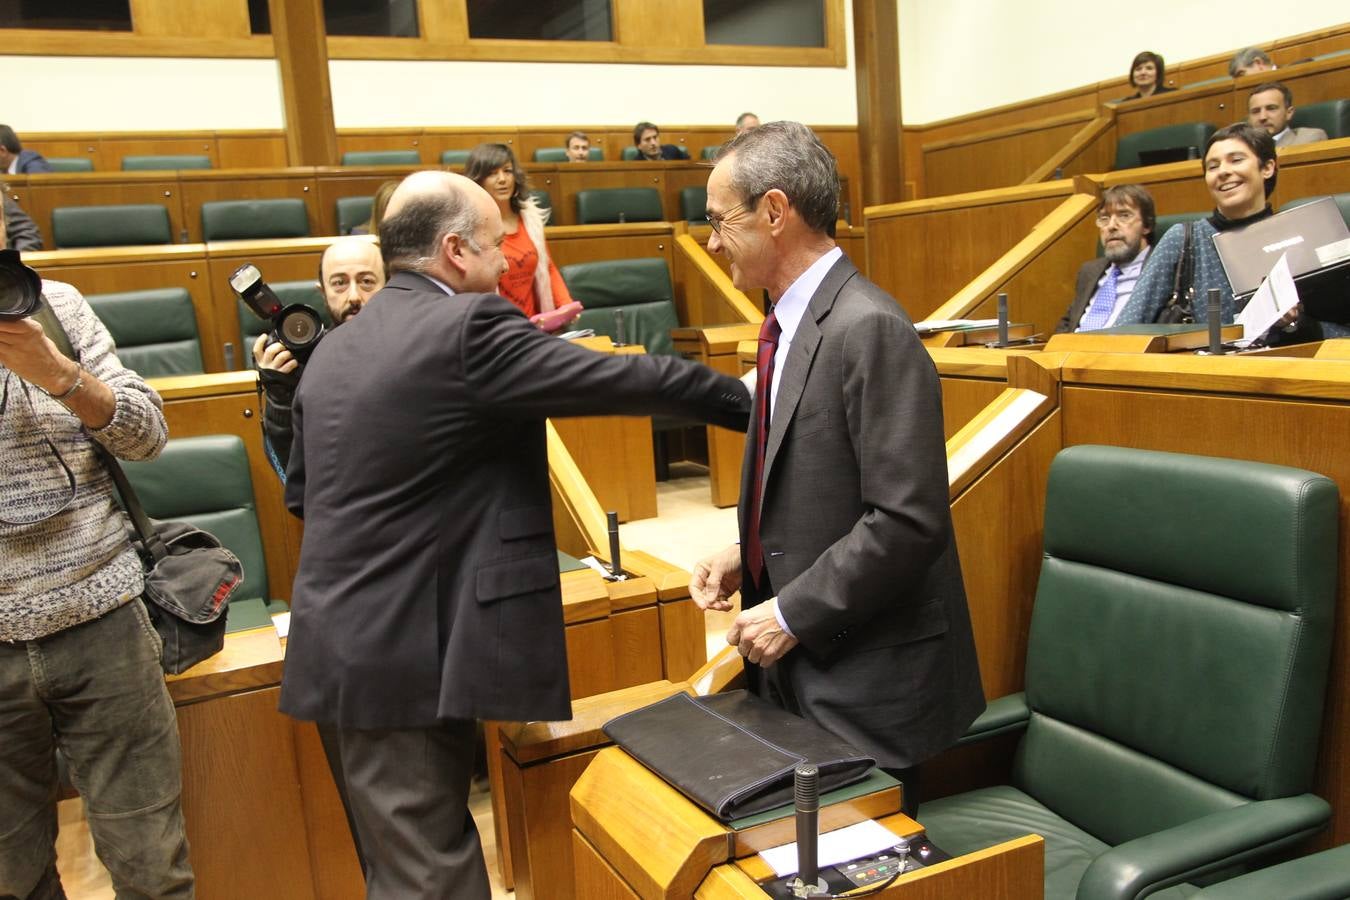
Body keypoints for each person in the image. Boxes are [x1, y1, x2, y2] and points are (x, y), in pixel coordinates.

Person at [277, 170, 750, 900]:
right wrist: (753, 398)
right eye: (499, 245)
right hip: (403, 652)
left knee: (399, 861)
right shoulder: (469, 326)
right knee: (429, 878)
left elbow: (305, 495)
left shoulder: (337, 347)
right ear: (456, 249)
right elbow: (624, 382)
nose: (510, 262)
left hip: (344, 645)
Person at [688, 122, 984, 819]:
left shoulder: (869, 327)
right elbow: (819, 481)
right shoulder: (789, 324)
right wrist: (750, 551)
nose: (708, 242)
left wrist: (792, 609)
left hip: (866, 680)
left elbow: (908, 521)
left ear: (774, 212)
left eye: (717, 220)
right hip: (803, 667)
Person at [0, 214, 193, 899]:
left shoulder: (56, 309)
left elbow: (148, 436)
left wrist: (58, 374)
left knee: (153, 867)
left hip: (104, 624)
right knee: (13, 880)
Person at [1116, 123, 1284, 328]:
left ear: (1267, 168)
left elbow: (1332, 331)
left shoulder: (1294, 233)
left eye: (1236, 160)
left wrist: (1297, 324)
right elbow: (1127, 325)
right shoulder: (1183, 238)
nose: (1223, 171)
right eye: (1213, 166)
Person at [253, 236, 385, 471]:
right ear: (322, 292)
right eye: (339, 283)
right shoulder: (306, 361)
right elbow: (290, 471)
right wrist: (279, 397)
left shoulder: (416, 347)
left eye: (366, 281)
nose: (354, 296)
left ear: (388, 284)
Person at [464, 142, 578, 326]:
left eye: (507, 171)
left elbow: (547, 267)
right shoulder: (474, 230)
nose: (502, 179)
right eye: (492, 173)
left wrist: (566, 305)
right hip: (498, 328)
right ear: (479, 180)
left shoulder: (530, 219)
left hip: (536, 327)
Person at [1055, 185, 1156, 332]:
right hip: (1075, 351)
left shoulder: (1162, 268)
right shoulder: (1089, 271)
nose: (1111, 226)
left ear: (1146, 225)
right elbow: (1068, 324)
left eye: (1124, 215)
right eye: (1104, 218)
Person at [1248, 82, 1328, 148]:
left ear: (1289, 113)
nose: (1263, 117)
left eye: (1271, 108)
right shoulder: (1243, 146)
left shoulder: (1308, 138)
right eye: (1255, 111)